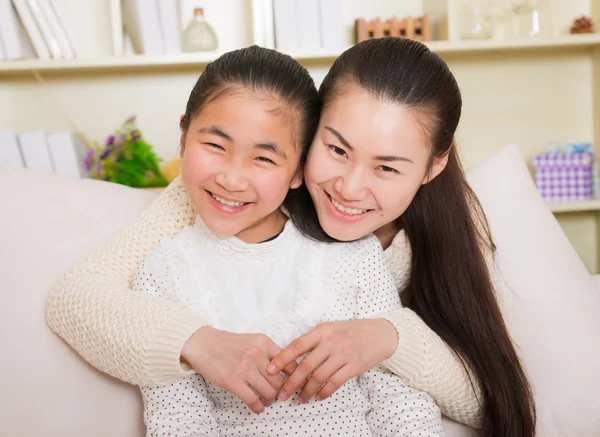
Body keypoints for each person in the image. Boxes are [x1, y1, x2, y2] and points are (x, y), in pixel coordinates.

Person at [46, 38, 536, 436]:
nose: (348, 187)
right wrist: (196, 341)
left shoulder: (441, 229)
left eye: (387, 166)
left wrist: (388, 336)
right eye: (337, 149)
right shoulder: (227, 198)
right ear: (309, 139)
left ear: (433, 166)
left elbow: (491, 400)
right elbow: (76, 297)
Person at [135, 45, 444, 436]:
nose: (231, 179)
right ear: (183, 141)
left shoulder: (355, 255)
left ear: (298, 169)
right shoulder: (162, 272)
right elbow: (178, 421)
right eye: (215, 145)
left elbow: (399, 400)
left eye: (263, 158)